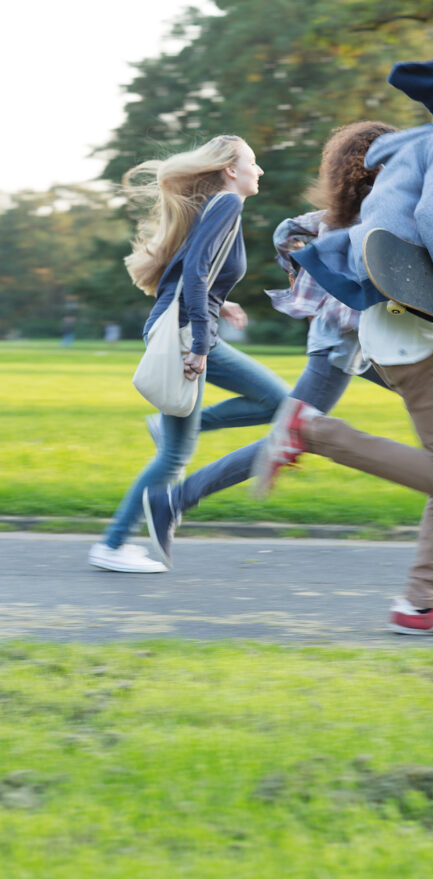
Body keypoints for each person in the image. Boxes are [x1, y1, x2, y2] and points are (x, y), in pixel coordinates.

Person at [142, 121, 433, 569]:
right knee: (290, 435)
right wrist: (309, 268)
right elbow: (290, 232)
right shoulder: (365, 216)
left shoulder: (376, 211)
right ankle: (175, 498)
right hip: (342, 348)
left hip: (376, 345)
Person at [253, 53, 433, 636]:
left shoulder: (413, 147)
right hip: (408, 322)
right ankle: (309, 431)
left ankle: (425, 603)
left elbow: (408, 229)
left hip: (393, 316)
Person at [88, 135, 289, 573]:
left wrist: (223, 300)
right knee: (281, 403)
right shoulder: (226, 204)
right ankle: (112, 545)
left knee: (177, 452)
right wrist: (199, 345)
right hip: (188, 335)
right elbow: (194, 274)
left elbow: (190, 275)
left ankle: (114, 542)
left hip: (183, 326)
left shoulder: (216, 206)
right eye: (252, 163)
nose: (259, 171)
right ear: (231, 170)